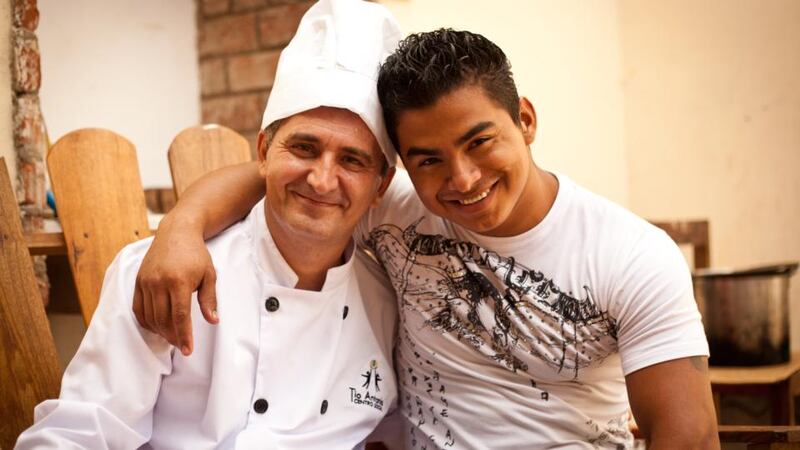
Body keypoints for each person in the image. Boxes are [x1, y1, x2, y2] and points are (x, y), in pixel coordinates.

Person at [134, 28, 720, 449]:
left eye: (480, 141)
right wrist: (179, 231)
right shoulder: (392, 208)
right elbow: (273, 179)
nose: (462, 179)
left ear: (526, 119)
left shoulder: (633, 255)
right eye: (429, 159)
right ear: (401, 170)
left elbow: (688, 436)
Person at [15, 0, 403, 448]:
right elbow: (81, 431)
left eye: (352, 160)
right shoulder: (161, 276)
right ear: (263, 152)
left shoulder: (384, 301)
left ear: (381, 184)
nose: (320, 179)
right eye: (303, 148)